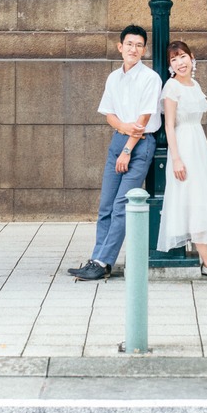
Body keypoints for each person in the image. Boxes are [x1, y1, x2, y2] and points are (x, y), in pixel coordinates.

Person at [68, 25, 162, 281]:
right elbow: (109, 113)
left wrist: (128, 150)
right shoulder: (113, 78)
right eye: (129, 44)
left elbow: (143, 120)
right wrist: (121, 128)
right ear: (120, 47)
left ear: (144, 50)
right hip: (118, 141)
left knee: (122, 205)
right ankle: (98, 258)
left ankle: (103, 261)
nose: (134, 49)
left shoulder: (150, 78)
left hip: (140, 145)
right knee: (106, 205)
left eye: (139, 45)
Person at [157, 41, 207, 279]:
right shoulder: (171, 87)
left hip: (198, 145)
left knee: (201, 198)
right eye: (174, 60)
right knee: (195, 201)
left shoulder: (194, 85)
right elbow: (169, 125)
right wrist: (177, 159)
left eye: (182, 57)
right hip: (184, 147)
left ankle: (205, 258)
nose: (180, 63)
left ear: (192, 57)